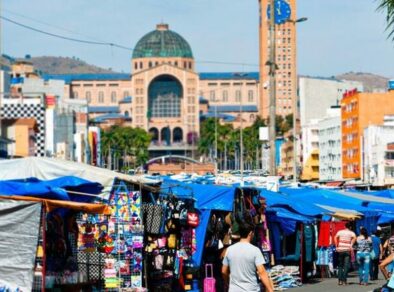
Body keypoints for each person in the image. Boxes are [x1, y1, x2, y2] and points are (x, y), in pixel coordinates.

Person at [222, 223, 273, 292]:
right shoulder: (255, 250)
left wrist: (228, 283)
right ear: (250, 233)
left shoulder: (229, 249)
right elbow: (261, 272)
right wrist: (270, 289)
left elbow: (224, 271)